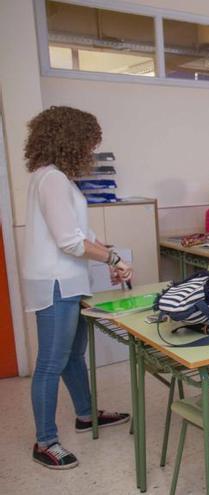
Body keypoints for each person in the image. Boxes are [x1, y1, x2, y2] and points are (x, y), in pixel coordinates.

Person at [22, 106, 132, 469]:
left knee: (72, 356)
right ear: (69, 139)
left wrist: (110, 253)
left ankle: (85, 414)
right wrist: (112, 261)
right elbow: (70, 242)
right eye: (88, 143)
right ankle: (45, 441)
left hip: (70, 281)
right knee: (51, 363)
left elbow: (83, 234)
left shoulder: (58, 179)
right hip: (56, 283)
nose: (90, 151)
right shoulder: (50, 179)